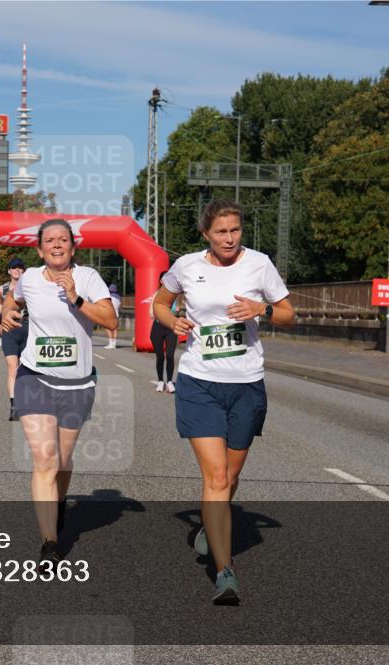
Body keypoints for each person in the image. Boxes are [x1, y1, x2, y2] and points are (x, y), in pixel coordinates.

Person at [153, 199, 294, 605]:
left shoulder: (259, 264)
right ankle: (225, 571)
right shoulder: (186, 266)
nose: (230, 238)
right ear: (206, 235)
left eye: (235, 230)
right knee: (215, 478)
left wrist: (261, 308)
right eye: (221, 232)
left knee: (229, 479)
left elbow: (289, 314)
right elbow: (160, 302)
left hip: (246, 383)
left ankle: (209, 528)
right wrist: (171, 320)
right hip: (199, 382)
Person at [1, 219, 117, 562]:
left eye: (62, 240)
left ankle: (60, 501)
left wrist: (76, 298)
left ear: (72, 247)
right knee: (45, 458)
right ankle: (50, 542)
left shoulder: (88, 278)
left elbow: (110, 320)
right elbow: (12, 299)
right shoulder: (31, 278)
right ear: (39, 249)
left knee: (63, 460)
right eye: (49, 240)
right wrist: (8, 314)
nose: (56, 245)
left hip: (77, 383)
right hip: (34, 376)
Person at [0, 257, 28, 420]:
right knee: (12, 367)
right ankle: (14, 406)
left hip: (27, 329)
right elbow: (1, 304)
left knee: (25, 369)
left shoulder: (30, 286)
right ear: (9, 270)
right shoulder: (3, 288)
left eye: (20, 267)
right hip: (9, 329)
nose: (17, 270)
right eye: (14, 267)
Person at [150, 271, 179, 393]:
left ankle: (170, 382)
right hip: (158, 327)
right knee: (160, 356)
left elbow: (176, 310)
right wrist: (162, 312)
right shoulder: (156, 295)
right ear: (161, 281)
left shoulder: (173, 295)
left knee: (170, 355)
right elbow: (151, 314)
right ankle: (161, 381)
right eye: (165, 279)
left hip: (171, 328)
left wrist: (175, 311)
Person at [105, 284, 122, 349]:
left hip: (109, 313)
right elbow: (120, 305)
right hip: (116, 314)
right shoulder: (118, 296)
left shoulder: (108, 296)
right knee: (115, 329)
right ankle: (114, 344)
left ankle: (110, 343)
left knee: (107, 328)